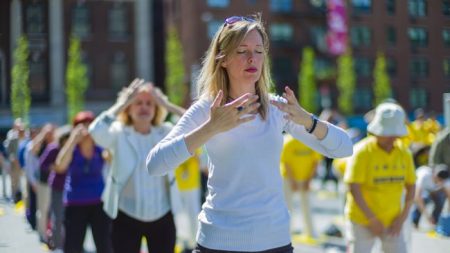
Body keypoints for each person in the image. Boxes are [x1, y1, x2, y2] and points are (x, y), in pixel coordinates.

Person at [146, 15, 353, 252]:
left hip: (275, 242)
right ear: (222, 59)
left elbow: (345, 148)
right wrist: (211, 128)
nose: (252, 58)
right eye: (242, 51)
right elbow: (155, 165)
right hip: (218, 242)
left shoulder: (277, 108)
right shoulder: (207, 108)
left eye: (258, 50)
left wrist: (308, 120)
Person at [89, 79, 185, 253]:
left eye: (150, 103)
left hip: (163, 216)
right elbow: (95, 131)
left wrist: (167, 104)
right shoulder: (119, 132)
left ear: (156, 109)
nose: (144, 107)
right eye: (138, 103)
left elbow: (196, 126)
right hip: (125, 216)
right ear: (129, 108)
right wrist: (121, 102)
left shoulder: (166, 132)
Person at [344, 102, 416, 253]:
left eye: (393, 133)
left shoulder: (404, 153)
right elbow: (353, 188)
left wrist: (401, 220)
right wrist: (372, 219)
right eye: (387, 133)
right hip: (362, 220)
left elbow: (411, 186)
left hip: (393, 221)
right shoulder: (362, 152)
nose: (391, 137)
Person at [55, 111, 112, 253]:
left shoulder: (99, 149)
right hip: (75, 204)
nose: (86, 130)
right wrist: (72, 140)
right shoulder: (72, 150)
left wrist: (103, 136)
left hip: (99, 203)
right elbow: (60, 166)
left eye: (89, 125)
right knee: (73, 246)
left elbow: (113, 158)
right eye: (82, 126)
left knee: (104, 245)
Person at [280, 133, 321, 239]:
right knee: (287, 207)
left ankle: (310, 232)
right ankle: (286, 233)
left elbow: (316, 162)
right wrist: (292, 181)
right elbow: (286, 163)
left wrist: (309, 180)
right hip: (288, 179)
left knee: (307, 206)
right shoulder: (288, 141)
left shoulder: (311, 141)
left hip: (305, 178)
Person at [412, 164, 450, 229]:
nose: (439, 182)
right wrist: (427, 216)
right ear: (433, 174)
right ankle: (415, 220)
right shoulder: (423, 175)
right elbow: (417, 197)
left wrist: (448, 215)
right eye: (438, 179)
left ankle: (435, 222)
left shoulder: (446, 181)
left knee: (440, 201)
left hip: (434, 191)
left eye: (441, 181)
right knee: (423, 200)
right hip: (421, 190)